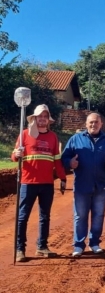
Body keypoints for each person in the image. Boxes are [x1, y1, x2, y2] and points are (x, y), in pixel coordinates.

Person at [11, 104, 66, 262]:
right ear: (34, 118)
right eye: (39, 116)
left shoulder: (53, 137)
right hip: (28, 183)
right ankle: (20, 249)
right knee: (22, 217)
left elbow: (57, 160)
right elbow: (14, 157)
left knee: (44, 217)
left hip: (47, 184)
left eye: (45, 116)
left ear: (48, 120)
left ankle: (41, 246)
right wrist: (17, 153)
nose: (42, 119)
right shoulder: (24, 135)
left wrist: (62, 178)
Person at [61, 112, 105, 257]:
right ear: (86, 124)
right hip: (82, 185)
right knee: (80, 216)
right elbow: (65, 157)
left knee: (98, 215)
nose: (93, 125)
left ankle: (94, 243)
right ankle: (79, 245)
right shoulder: (76, 139)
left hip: (101, 185)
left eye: (96, 122)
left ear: (101, 124)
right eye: (91, 122)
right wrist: (70, 163)